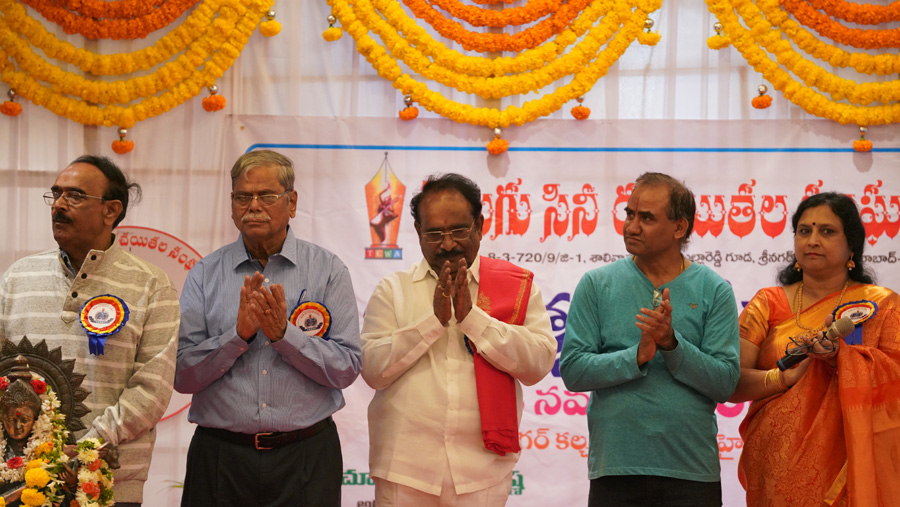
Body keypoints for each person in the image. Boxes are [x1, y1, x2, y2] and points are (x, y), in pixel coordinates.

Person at [175, 149, 361, 507]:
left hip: (306, 456)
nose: (254, 206)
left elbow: (346, 368)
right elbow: (182, 376)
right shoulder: (205, 273)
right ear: (232, 206)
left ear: (292, 203)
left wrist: (284, 336)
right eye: (242, 197)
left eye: (267, 196)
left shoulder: (328, 270)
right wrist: (237, 337)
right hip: (220, 458)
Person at [361, 173, 556, 506]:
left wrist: (472, 320)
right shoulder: (393, 290)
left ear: (479, 225)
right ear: (418, 232)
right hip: (405, 472)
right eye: (434, 233)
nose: (448, 244)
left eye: (458, 230)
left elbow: (538, 364)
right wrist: (433, 323)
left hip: (483, 473)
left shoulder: (515, 287)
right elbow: (373, 370)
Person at [0, 155, 180, 507]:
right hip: (19, 484)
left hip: (108, 483)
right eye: (56, 194)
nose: (59, 205)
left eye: (75, 195)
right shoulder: (18, 277)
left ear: (111, 211)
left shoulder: (151, 284)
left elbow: (152, 389)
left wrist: (85, 448)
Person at [560, 172, 740, 506]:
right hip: (616, 470)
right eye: (629, 214)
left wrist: (672, 345)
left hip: (691, 471)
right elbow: (573, 370)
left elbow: (725, 383)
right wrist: (636, 357)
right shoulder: (596, 284)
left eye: (646, 218)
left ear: (679, 227)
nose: (631, 227)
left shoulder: (714, 289)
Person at [729, 192, 900, 506]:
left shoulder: (883, 304)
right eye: (804, 231)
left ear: (852, 246)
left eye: (827, 231)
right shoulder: (767, 303)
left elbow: (896, 382)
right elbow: (731, 383)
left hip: (849, 465)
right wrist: (782, 378)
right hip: (775, 463)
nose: (813, 240)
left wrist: (841, 359)